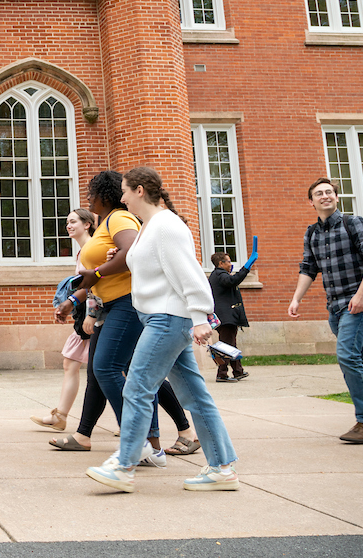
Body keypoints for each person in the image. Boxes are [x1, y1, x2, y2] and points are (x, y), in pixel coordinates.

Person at [87, 167, 241, 493]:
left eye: (126, 191)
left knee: (138, 386)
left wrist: (200, 317)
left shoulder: (166, 226)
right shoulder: (150, 227)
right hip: (162, 317)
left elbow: (190, 274)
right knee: (195, 395)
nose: (123, 198)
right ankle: (221, 468)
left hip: (168, 319)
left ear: (140, 191)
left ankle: (124, 465)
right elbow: (155, 267)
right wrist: (122, 257)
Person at [51, 171, 196, 463]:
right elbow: (96, 278)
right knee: (104, 370)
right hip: (111, 304)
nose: (87, 197)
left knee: (109, 369)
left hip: (128, 304)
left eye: (91, 191)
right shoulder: (106, 223)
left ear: (104, 194)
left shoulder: (118, 218)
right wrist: (73, 300)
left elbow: (129, 252)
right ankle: (143, 442)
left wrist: (98, 274)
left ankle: (143, 440)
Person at [288, 177, 363, 444]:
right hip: (335, 306)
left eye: (329, 192)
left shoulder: (354, 223)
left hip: (359, 302)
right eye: (319, 193)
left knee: (348, 355)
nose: (325, 196)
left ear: (336, 197)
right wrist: (296, 299)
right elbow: (308, 269)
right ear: (311, 201)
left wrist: (361, 295)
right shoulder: (312, 233)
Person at [32, 208, 96, 432]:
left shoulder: (91, 248)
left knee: (112, 371)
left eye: (73, 222)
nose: (68, 226)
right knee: (72, 363)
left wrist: (79, 308)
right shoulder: (82, 251)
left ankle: (130, 419)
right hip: (89, 318)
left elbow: (93, 286)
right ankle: (60, 416)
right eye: (67, 223)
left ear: (87, 224)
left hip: (95, 319)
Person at [209, 248, 256, 382]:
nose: (231, 264)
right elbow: (233, 280)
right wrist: (246, 267)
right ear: (220, 263)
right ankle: (222, 374)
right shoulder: (220, 274)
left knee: (230, 345)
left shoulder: (217, 274)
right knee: (226, 347)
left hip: (225, 317)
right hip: (226, 318)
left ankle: (238, 371)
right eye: (228, 262)